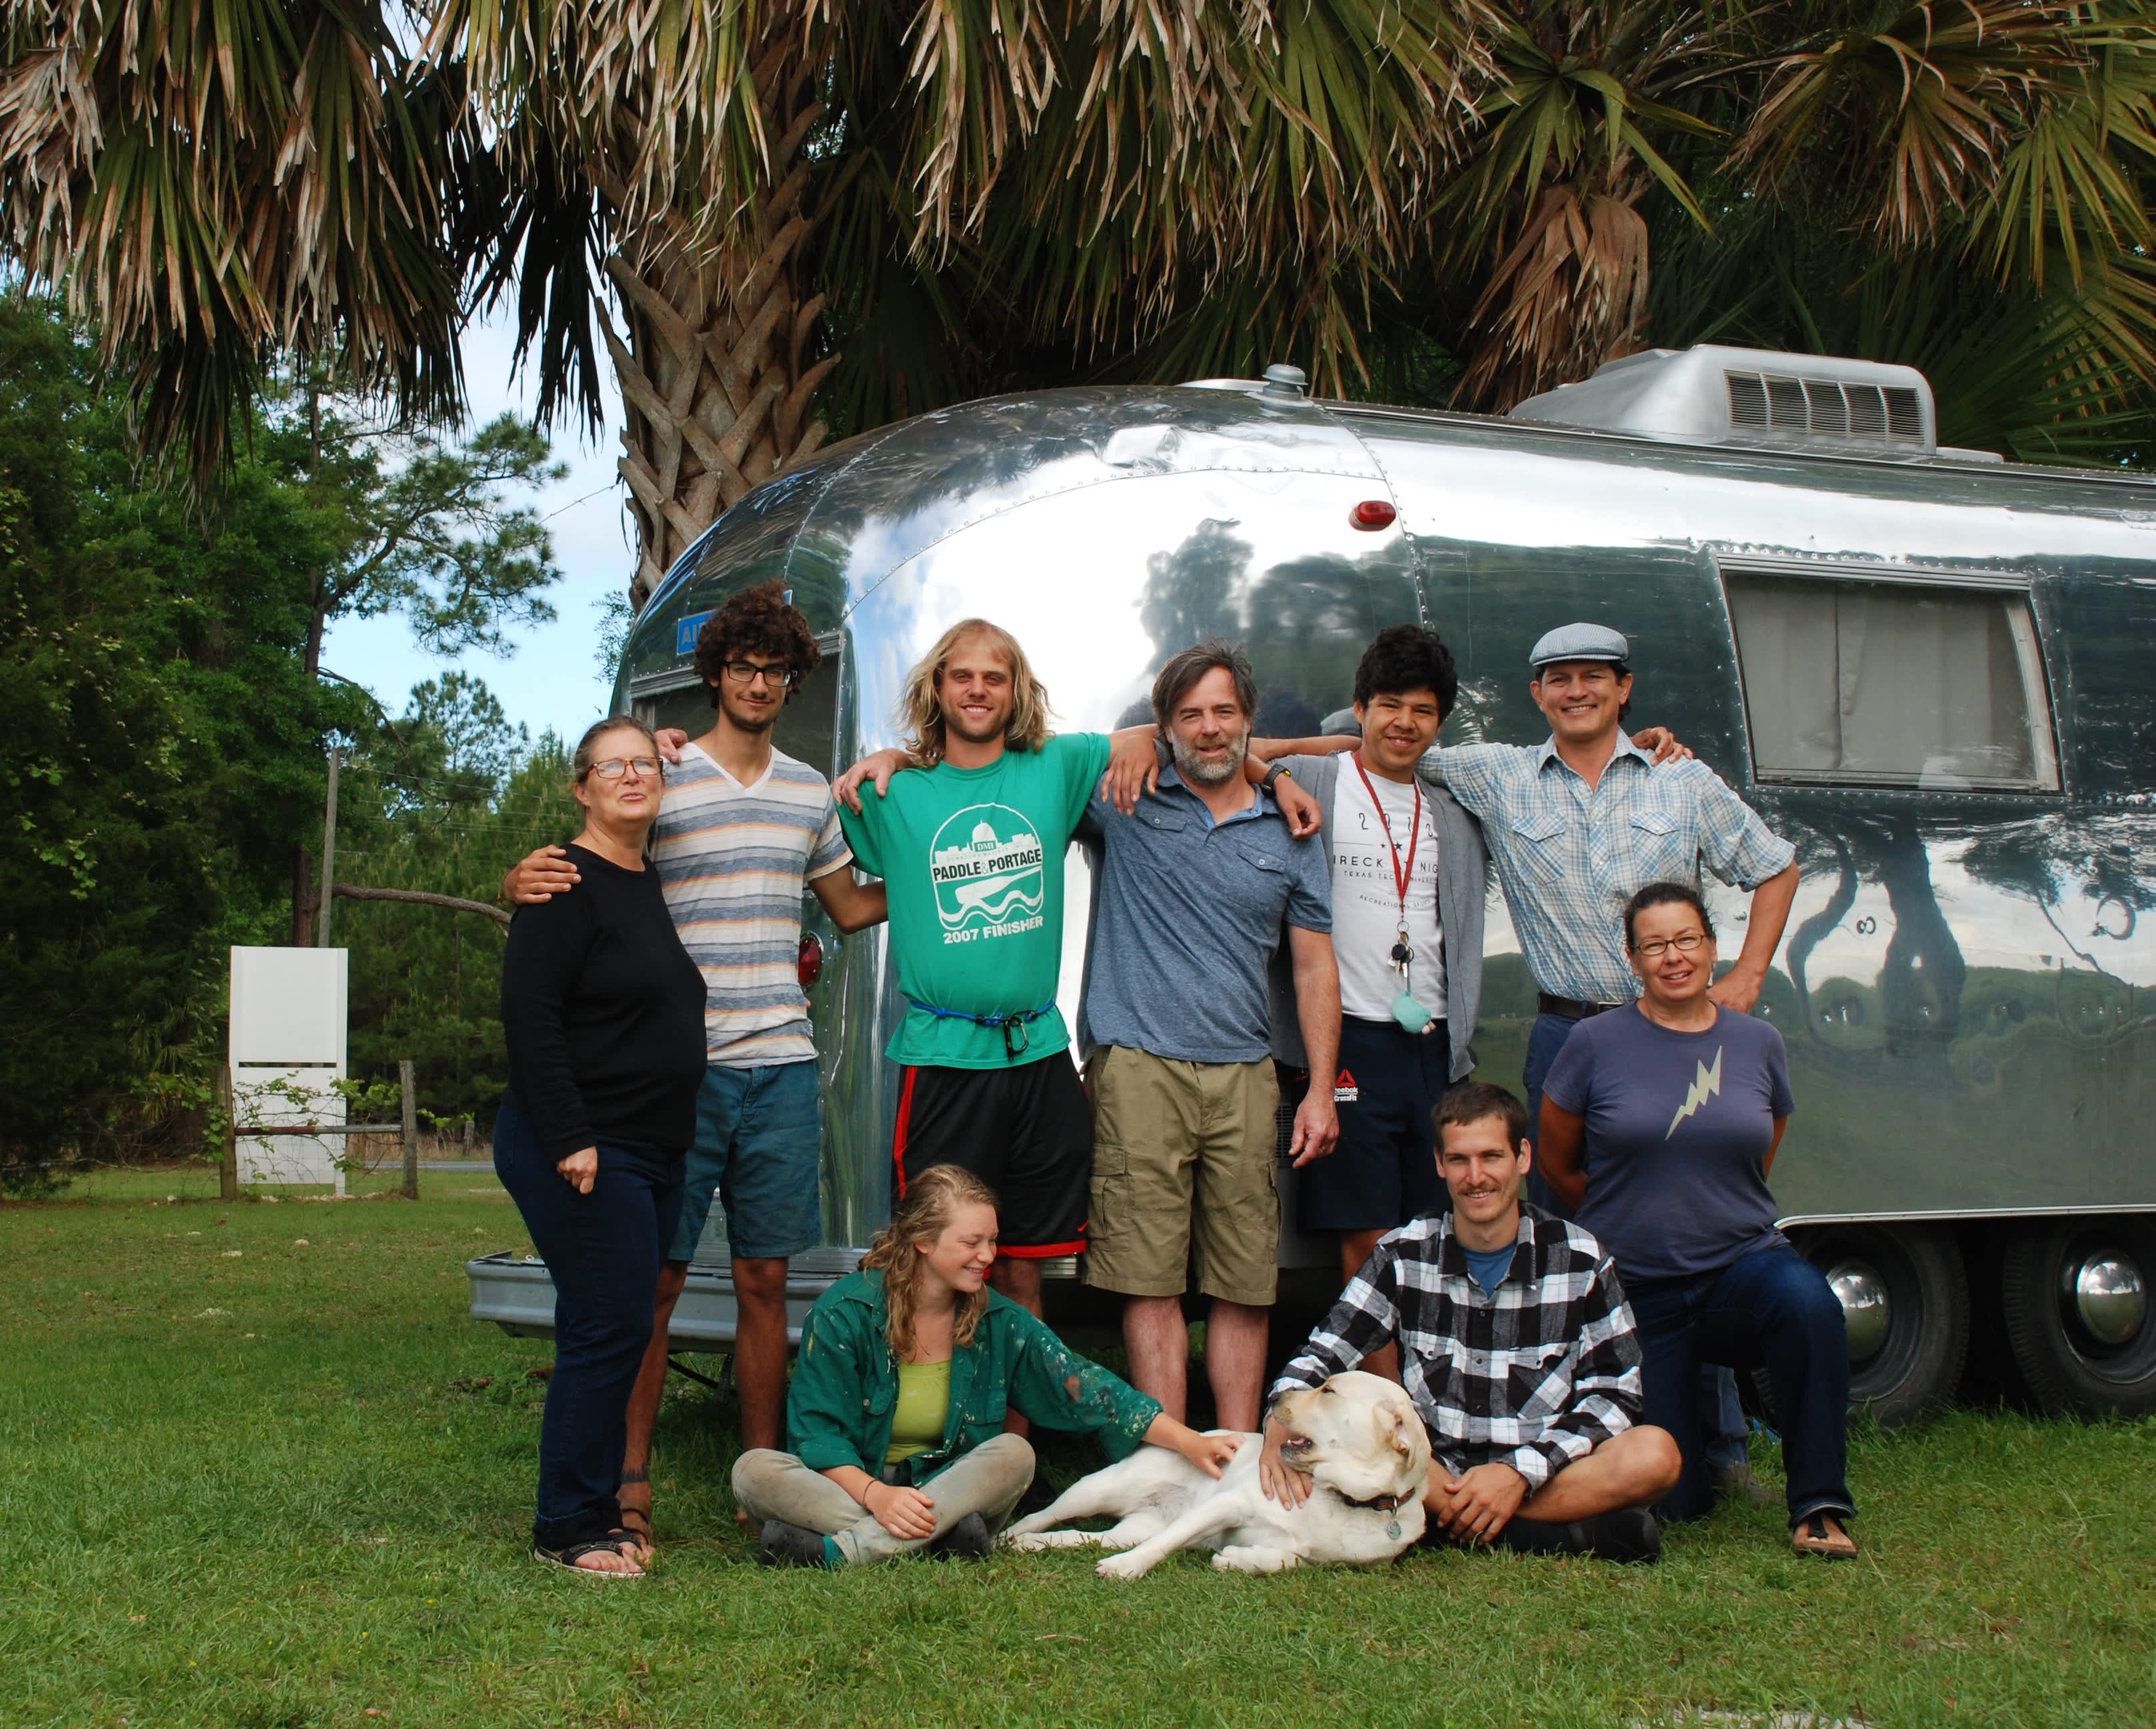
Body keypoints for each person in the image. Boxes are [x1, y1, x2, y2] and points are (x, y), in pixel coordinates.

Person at [503, 582, 888, 1554]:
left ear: (794, 681)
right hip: (676, 1079)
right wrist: (524, 871)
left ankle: (760, 1485)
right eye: (741, 668)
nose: (758, 683)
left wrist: (955, 864)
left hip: (782, 1064)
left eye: (775, 670)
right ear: (715, 676)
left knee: (765, 1279)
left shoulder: (808, 790)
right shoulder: (666, 781)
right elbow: (598, 854)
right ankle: (628, 1484)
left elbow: (848, 909)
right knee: (657, 1283)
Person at [829, 620, 1320, 1320]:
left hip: (1037, 1053)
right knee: (928, 1260)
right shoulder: (890, 794)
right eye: (960, 675)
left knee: (1024, 1266)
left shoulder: (1056, 766)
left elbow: (1199, 742)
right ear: (936, 687)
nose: (977, 689)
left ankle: (1015, 1431)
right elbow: (844, 889)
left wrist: (1275, 774)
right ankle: (931, 1423)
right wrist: (895, 757)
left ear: (1016, 690)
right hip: (941, 1058)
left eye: (993, 677)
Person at [1538, 882, 1857, 1559]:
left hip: (1738, 1268)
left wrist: (1708, 1203)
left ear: (1711, 946)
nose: (1672, 957)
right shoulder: (1593, 1043)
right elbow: (1557, 1161)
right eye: (1653, 945)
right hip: (1638, 1289)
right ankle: (1702, 1467)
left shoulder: (1757, 1042)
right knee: (1677, 1502)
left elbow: (1759, 1147)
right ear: (1631, 958)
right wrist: (1627, 1214)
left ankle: (1819, 1506)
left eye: (1685, 939)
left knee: (1807, 1305)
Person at [1080, 640, 1340, 1433]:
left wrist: (1322, 1090)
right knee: (1146, 1274)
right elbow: (1012, 756)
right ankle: (1169, 1453)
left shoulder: (1290, 828)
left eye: (1223, 712)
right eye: (1188, 715)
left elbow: (1313, 969)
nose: (1208, 729)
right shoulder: (1122, 798)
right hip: (1139, 1066)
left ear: (1247, 721)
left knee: (1243, 1279)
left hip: (1245, 1074)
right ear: (1164, 727)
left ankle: (1232, 1450)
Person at [733, 1164, 1240, 1566]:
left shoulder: (1000, 1320)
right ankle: (939, 1539)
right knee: (753, 1471)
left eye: (992, 1241)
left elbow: (1091, 1391)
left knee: (1014, 1454)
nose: (986, 1256)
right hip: (862, 1485)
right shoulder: (845, 1313)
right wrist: (880, 1496)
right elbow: (817, 1436)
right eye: (971, 1243)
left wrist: (1192, 1441)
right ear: (924, 1241)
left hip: (948, 1483)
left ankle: (839, 1552)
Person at [1260, 1083, 1681, 1563]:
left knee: (1655, 1455)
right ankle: (1539, 1537)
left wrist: (1520, 1472)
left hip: (1546, 1465)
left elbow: (1617, 1393)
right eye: (1459, 1160)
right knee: (1376, 1455)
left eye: (1491, 1157)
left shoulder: (1581, 1258)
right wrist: (1279, 1410)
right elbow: (1324, 1350)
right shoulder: (1404, 1253)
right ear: (1439, 1164)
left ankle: (1453, 1525)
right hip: (1431, 1470)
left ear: (1522, 1157)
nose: (1475, 1177)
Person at [493, 717, 708, 1576]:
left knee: (608, 1323)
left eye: (644, 764)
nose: (632, 776)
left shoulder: (641, 880)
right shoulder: (560, 883)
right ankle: (566, 1526)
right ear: (580, 789)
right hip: (585, 1146)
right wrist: (571, 1136)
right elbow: (530, 1018)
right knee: (607, 1325)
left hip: (650, 1150)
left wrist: (671, 741)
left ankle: (586, 1510)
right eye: (610, 767)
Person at [1254, 626, 1488, 1383]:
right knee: (1367, 1235)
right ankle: (1395, 1402)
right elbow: (1218, 748)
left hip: (1430, 1040)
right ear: (1357, 708)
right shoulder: (1311, 781)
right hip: (1342, 1038)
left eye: (1422, 710)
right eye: (1387, 705)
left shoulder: (1452, 810)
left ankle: (1438, 1388)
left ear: (1438, 721)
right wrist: (1292, 766)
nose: (1403, 723)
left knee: (1435, 1227)